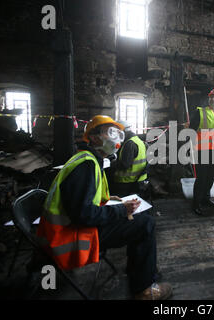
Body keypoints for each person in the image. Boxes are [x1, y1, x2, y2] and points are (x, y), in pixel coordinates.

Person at [36, 115, 172, 300]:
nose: (115, 137)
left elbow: (82, 203)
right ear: (92, 137)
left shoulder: (86, 159)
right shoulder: (86, 165)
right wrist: (121, 210)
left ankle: (137, 271)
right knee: (146, 224)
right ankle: (144, 289)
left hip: (68, 229)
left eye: (117, 132)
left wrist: (109, 202)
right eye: (109, 132)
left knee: (141, 221)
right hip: (70, 237)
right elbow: (84, 215)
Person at [188, 88, 214, 216]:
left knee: (210, 177)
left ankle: (205, 199)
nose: (213, 99)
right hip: (201, 150)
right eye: (212, 97)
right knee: (201, 178)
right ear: (209, 99)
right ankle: (196, 203)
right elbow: (191, 131)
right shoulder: (200, 112)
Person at [109, 120, 148, 197]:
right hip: (138, 180)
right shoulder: (138, 140)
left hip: (127, 182)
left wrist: (109, 163)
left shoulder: (129, 144)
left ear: (122, 131)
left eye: (117, 132)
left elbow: (124, 165)